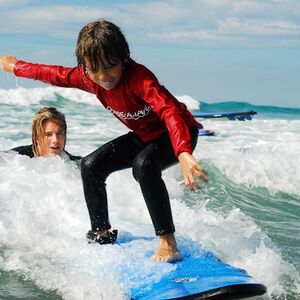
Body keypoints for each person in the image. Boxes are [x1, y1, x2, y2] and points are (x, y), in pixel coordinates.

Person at [0, 19, 208, 262]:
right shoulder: (88, 77)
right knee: (91, 166)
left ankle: (168, 243)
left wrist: (182, 151)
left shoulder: (139, 79)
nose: (103, 76)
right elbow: (53, 74)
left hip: (178, 134)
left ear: (124, 58)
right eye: (94, 69)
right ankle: (101, 233)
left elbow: (169, 111)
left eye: (110, 66)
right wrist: (15, 66)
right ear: (85, 67)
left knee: (144, 165)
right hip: (144, 136)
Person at [10, 106, 81, 161]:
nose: (55, 140)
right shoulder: (15, 158)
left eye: (59, 133)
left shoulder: (76, 164)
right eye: (48, 134)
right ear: (36, 137)